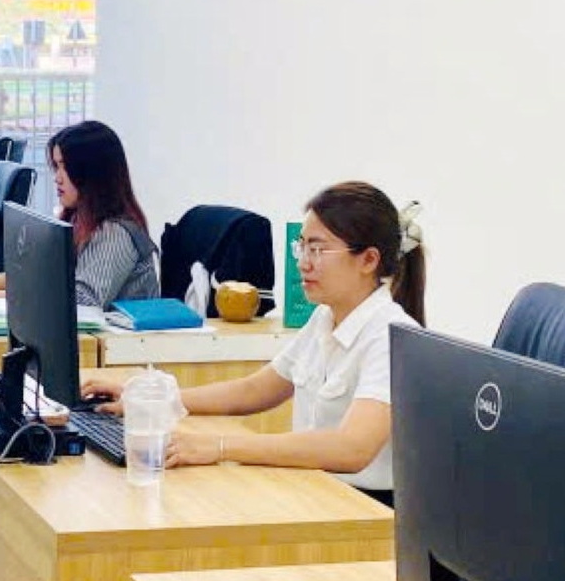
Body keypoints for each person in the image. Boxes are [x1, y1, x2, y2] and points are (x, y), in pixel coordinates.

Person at [81, 181, 425, 502]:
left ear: (368, 260)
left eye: (318, 249)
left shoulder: (389, 336)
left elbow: (351, 449)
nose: (304, 263)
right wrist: (151, 399)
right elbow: (256, 390)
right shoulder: (325, 317)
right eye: (302, 247)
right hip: (315, 490)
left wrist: (219, 446)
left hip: (363, 509)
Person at [0, 120, 158, 309]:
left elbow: (83, 303)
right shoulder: (79, 220)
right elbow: (42, 277)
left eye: (66, 167)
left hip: (115, 335)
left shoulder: (114, 232)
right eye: (57, 166)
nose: (58, 178)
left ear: (92, 173)